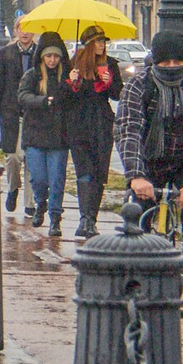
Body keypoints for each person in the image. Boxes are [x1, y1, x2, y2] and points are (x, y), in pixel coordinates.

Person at [114, 28, 183, 282]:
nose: (171, 66)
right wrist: (136, 176)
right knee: (137, 208)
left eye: (178, 61)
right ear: (154, 61)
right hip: (149, 158)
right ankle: (137, 257)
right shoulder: (138, 85)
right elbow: (128, 130)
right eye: (165, 61)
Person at [62, 28, 121, 238]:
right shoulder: (75, 63)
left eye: (103, 42)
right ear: (88, 45)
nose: (101, 45)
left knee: (99, 173)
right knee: (84, 171)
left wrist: (109, 82)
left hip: (102, 124)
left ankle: (91, 220)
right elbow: (66, 97)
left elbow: (117, 94)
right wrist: (72, 82)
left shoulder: (110, 64)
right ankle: (84, 219)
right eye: (97, 42)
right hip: (79, 124)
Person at [13, 33, 72, 230]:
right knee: (38, 178)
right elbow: (22, 96)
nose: (52, 60)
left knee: (56, 180)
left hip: (59, 137)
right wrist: (42, 101)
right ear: (42, 57)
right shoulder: (32, 75)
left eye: (56, 57)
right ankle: (41, 204)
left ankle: (55, 218)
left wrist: (74, 83)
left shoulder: (66, 76)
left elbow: (74, 99)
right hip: (35, 135)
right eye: (49, 57)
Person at [0, 22, 40, 215]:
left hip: (33, 113)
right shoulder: (6, 53)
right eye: (21, 29)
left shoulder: (40, 53)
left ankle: (30, 203)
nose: (25, 33)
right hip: (10, 112)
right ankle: (13, 188)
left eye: (28, 28)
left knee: (31, 158)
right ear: (16, 31)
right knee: (13, 156)